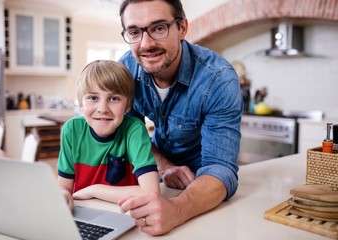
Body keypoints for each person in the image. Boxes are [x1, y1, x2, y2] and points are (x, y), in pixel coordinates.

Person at [117, 0, 243, 236]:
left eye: (158, 28)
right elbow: (130, 133)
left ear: (182, 28)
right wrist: (164, 166)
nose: (146, 44)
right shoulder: (126, 70)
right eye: (134, 32)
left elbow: (220, 168)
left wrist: (176, 210)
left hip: (201, 188)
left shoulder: (218, 79)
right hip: (153, 177)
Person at [57, 60, 160, 210]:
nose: (103, 108)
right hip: (83, 212)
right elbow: (64, 187)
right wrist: (63, 194)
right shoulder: (72, 130)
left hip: (123, 212)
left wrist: (94, 190)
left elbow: (151, 193)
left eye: (114, 98)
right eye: (93, 98)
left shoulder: (134, 130)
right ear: (81, 103)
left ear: (128, 105)